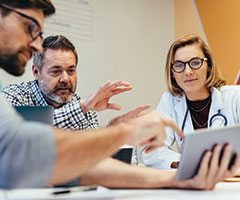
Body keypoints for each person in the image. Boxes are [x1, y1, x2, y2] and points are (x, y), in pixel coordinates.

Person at [0, 1, 238, 190]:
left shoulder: (232, 96)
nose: (35, 45)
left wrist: (175, 179)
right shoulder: (12, 97)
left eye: (71, 70)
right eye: (29, 27)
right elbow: (26, 145)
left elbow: (88, 164)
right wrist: (121, 131)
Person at [2, 35, 150, 131]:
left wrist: (113, 129)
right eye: (56, 71)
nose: (65, 79)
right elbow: (23, 138)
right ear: (36, 72)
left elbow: (89, 150)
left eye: (71, 70)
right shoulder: (12, 97)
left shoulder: (80, 104)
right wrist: (83, 107)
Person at [140, 34, 240, 170]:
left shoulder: (235, 97)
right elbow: (151, 150)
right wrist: (186, 163)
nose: (188, 71)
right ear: (173, 72)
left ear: (208, 65)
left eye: (195, 63)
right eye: (179, 65)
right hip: (193, 183)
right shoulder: (169, 101)